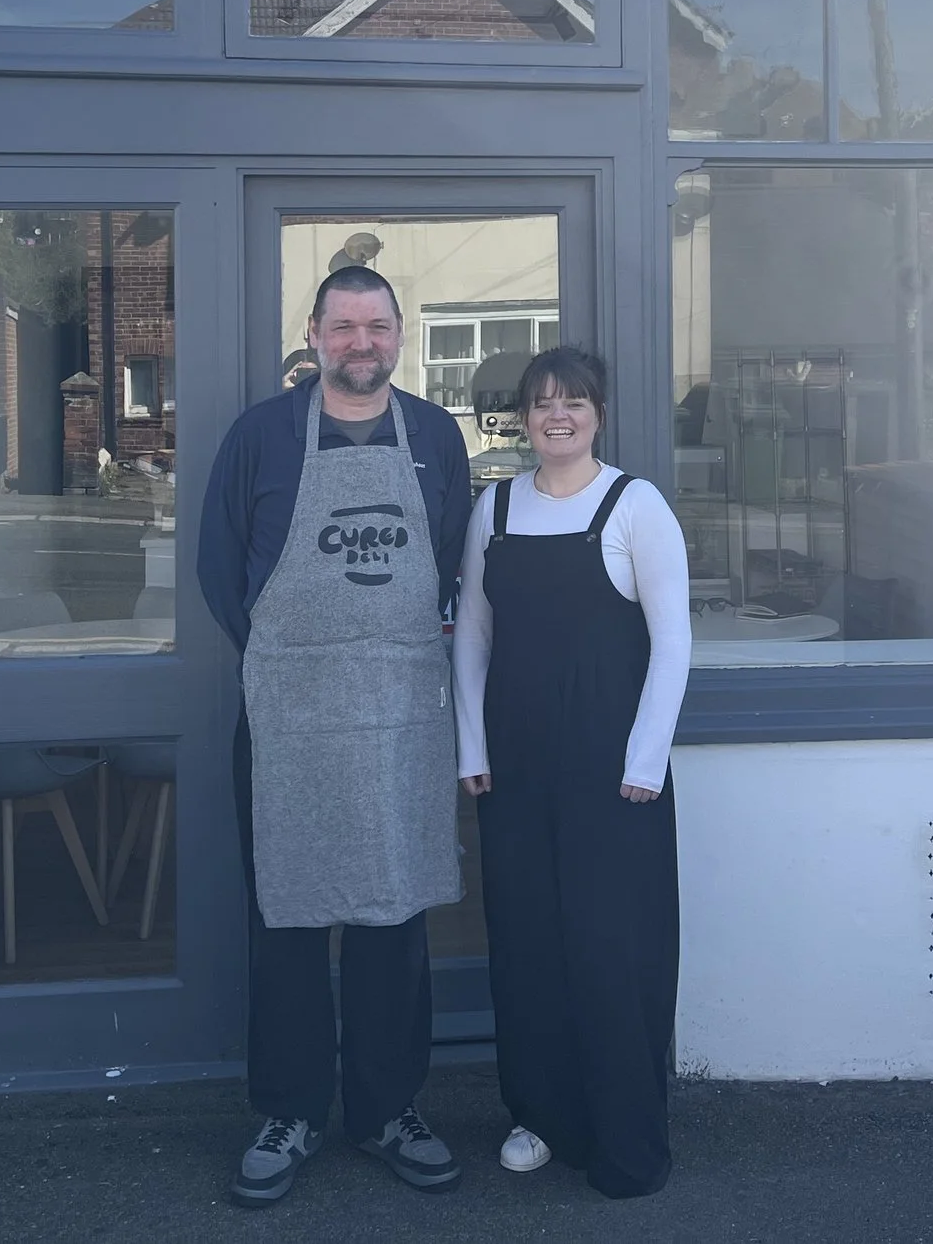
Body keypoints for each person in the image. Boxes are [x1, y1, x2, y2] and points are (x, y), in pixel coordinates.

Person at [198, 265, 473, 1207]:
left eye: (378, 326)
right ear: (315, 333)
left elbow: (450, 563)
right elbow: (219, 570)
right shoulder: (260, 435)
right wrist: (295, 661)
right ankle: (290, 1110)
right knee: (287, 917)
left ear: (399, 334)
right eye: (345, 326)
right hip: (290, 720)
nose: (362, 342)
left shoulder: (434, 436)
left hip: (400, 717)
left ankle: (389, 1107)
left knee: (394, 919)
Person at [452, 345, 691, 1199]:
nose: (559, 415)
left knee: (610, 947)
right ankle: (541, 1114)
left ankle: (624, 1130)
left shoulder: (636, 505)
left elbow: (673, 641)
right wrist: (471, 747)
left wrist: (645, 759)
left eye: (575, 401)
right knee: (527, 943)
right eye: (544, 402)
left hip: (612, 770)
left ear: (598, 414)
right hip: (515, 766)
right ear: (523, 418)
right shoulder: (495, 507)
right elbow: (472, 632)